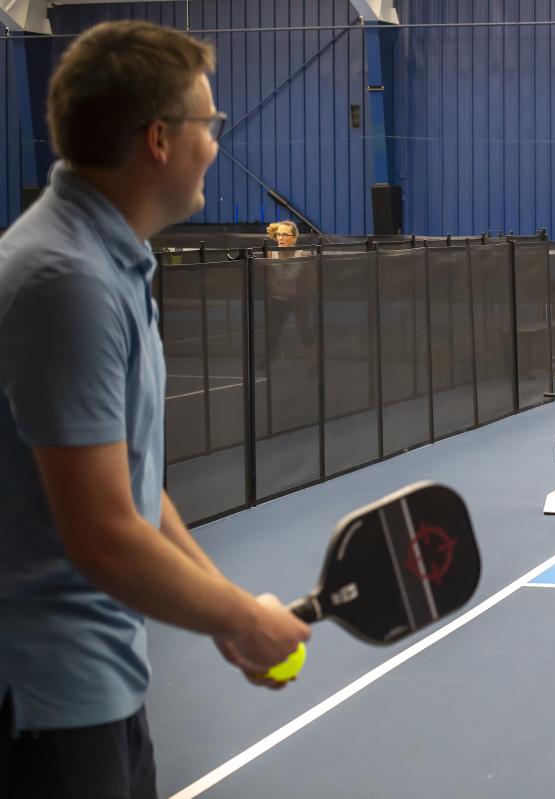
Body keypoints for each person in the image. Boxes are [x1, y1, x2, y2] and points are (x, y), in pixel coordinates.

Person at [0, 21, 310, 799]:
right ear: (162, 140)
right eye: (211, 124)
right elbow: (103, 534)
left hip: (99, 686)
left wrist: (224, 618)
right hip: (45, 707)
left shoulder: (109, 261)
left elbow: (132, 485)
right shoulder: (65, 280)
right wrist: (241, 618)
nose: (216, 141)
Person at [263, 220, 316, 371]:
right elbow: (266, 276)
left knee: (304, 329)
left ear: (293, 238)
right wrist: (272, 290)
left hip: (299, 300)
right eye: (278, 234)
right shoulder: (270, 254)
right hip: (279, 299)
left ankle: (313, 364)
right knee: (271, 329)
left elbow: (312, 281)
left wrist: (299, 294)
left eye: (285, 235)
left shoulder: (303, 256)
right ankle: (273, 353)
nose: (281, 238)